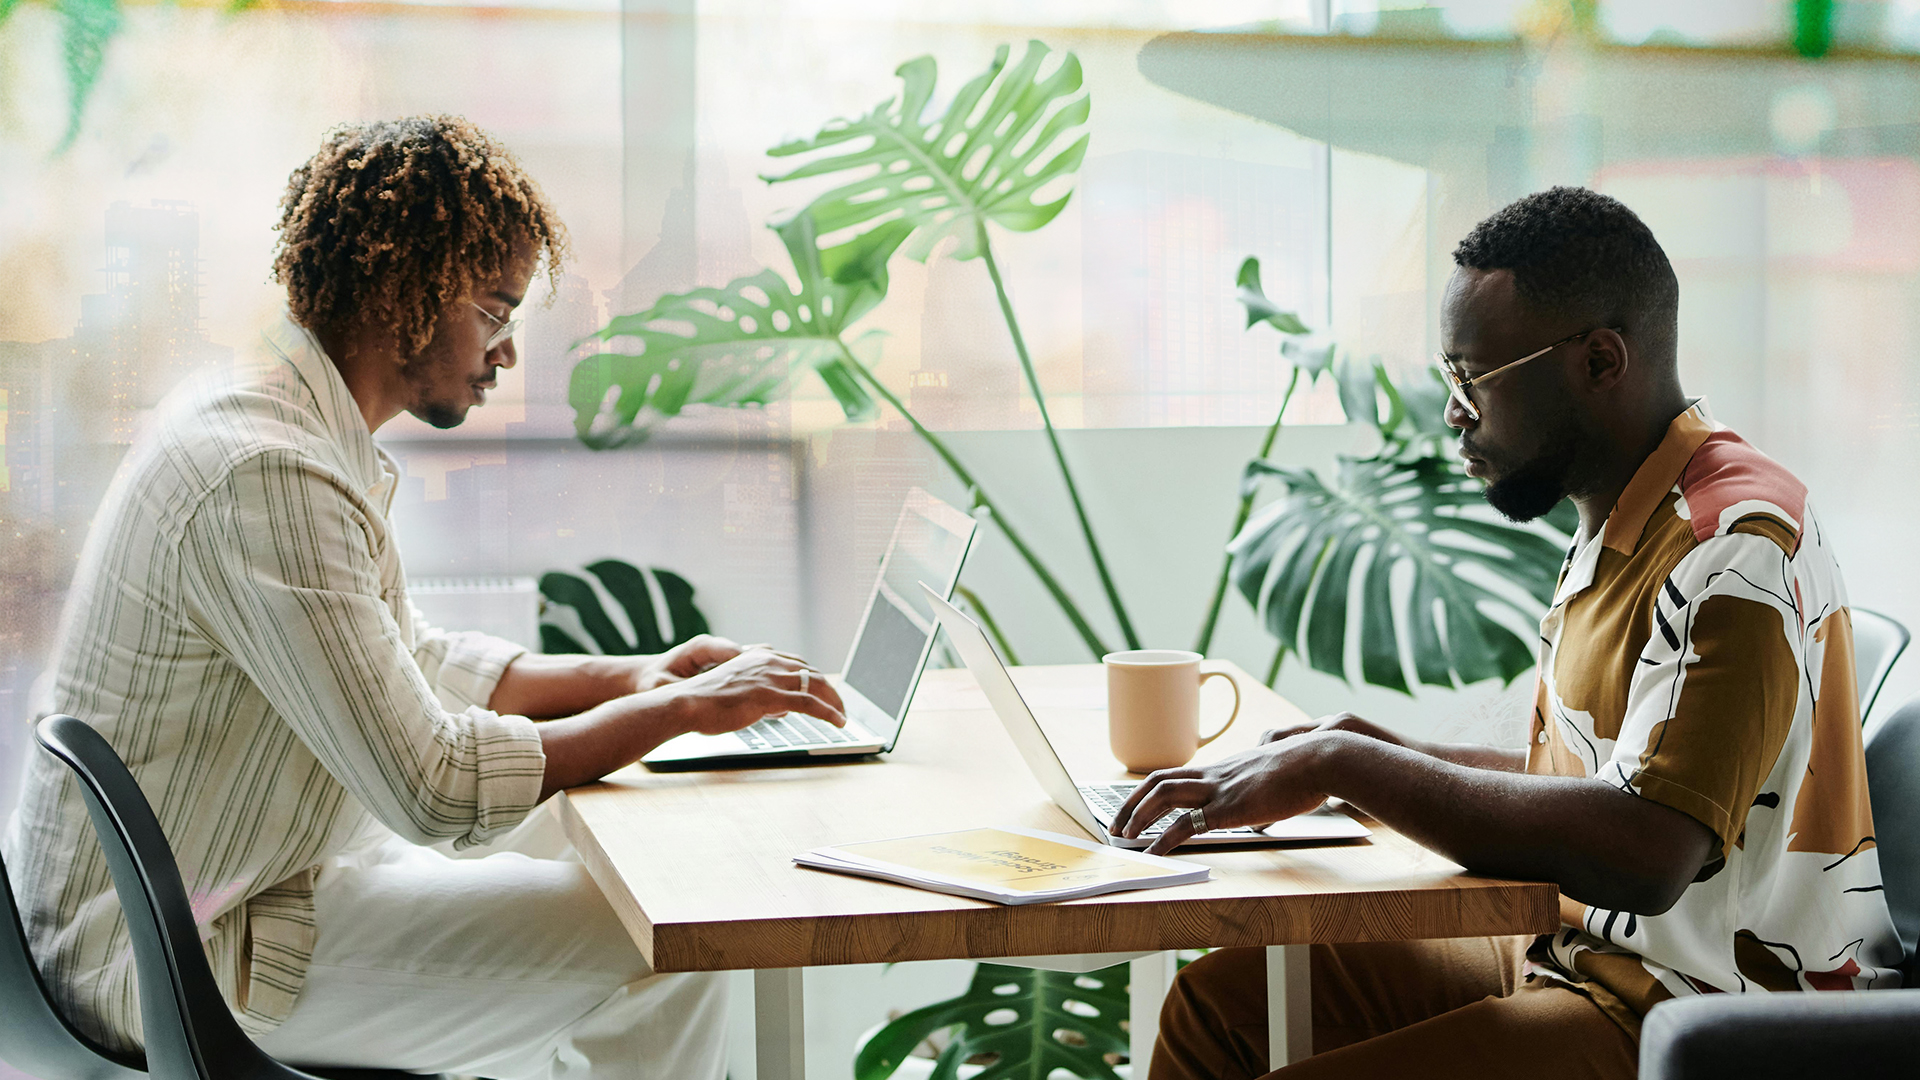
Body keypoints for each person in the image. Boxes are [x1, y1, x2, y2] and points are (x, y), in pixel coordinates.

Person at [1, 115, 847, 1079]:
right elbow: (435, 789)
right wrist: (681, 710)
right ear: (404, 291)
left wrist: (633, 678)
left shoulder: (277, 421)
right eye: (495, 312)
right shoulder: (268, 473)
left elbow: (406, 659)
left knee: (634, 866)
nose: (507, 353)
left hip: (235, 881)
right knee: (676, 942)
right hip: (186, 950)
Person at [1112, 187, 1903, 1080]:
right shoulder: (1626, 510)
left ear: (1599, 360)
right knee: (1222, 1006)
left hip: (1699, 1010)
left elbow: (1647, 852)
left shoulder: (1733, 544)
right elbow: (1596, 781)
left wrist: (1346, 765)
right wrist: (1370, 749)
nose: (1454, 411)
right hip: (1586, 955)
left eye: (1472, 378)